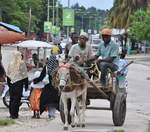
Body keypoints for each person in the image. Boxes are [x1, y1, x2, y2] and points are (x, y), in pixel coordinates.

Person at [33, 55, 60, 119]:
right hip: (55, 87)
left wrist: (35, 81)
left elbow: (41, 77)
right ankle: (52, 114)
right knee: (54, 102)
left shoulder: (46, 67)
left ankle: (50, 114)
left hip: (48, 87)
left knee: (48, 101)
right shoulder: (58, 68)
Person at [7, 51, 28, 119]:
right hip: (18, 84)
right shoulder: (21, 63)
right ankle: (14, 114)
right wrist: (26, 84)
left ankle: (12, 114)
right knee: (16, 99)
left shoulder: (11, 64)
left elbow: (8, 75)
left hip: (12, 83)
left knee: (12, 99)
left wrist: (9, 84)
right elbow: (24, 75)